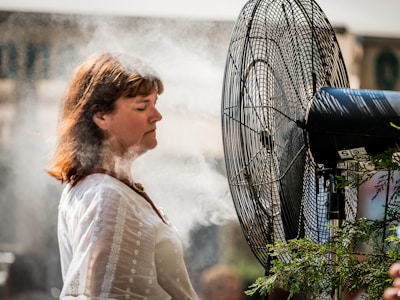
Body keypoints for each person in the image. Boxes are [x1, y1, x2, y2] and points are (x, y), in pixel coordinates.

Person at [46, 51, 197, 299]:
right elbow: (109, 294)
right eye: (141, 106)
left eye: (155, 103)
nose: (156, 116)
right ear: (101, 116)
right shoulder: (106, 195)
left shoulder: (106, 189)